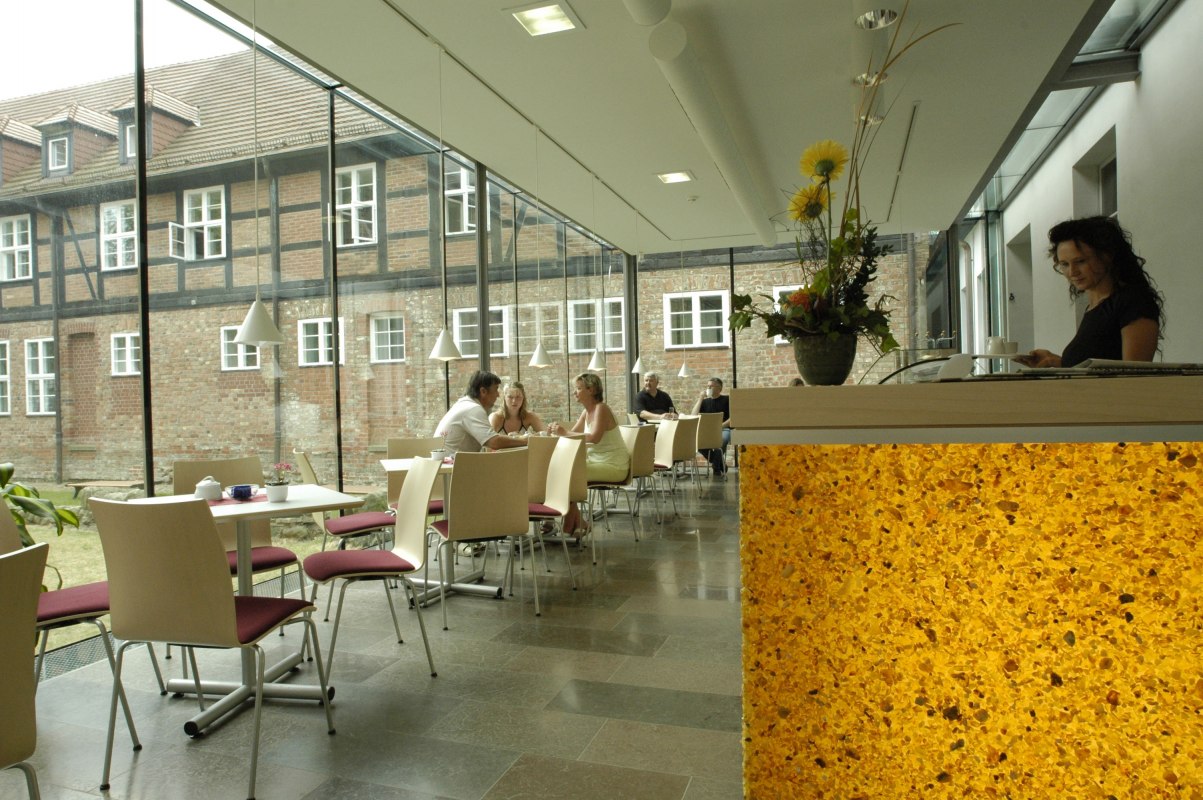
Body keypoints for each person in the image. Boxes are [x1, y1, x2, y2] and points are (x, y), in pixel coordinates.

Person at [1015, 216, 1163, 369]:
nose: (1072, 272)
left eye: (1080, 261)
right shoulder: (1094, 307)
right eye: (1064, 264)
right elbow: (1099, 366)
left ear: (1107, 256)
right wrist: (1057, 362)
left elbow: (1134, 377)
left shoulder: (1133, 302)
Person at [547, 372, 630, 537]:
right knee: (560, 473)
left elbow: (594, 438)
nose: (574, 392)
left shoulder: (602, 408)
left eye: (578, 388)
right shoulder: (587, 412)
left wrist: (564, 432)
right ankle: (578, 522)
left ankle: (572, 523)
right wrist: (557, 432)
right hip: (596, 463)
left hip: (613, 465)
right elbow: (573, 434)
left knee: (568, 475)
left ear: (591, 390)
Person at [434, 371, 528, 453]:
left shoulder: (464, 404)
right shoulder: (473, 409)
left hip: (445, 465)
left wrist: (516, 438)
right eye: (496, 389)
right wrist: (526, 440)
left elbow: (492, 438)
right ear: (483, 391)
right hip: (450, 468)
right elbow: (494, 442)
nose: (498, 395)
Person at [690, 376, 731, 478]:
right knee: (696, 442)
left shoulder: (727, 399)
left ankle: (716, 467)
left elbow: (733, 417)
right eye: (707, 386)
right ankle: (719, 463)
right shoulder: (704, 402)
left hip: (724, 429)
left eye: (711, 386)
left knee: (721, 441)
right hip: (707, 431)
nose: (708, 389)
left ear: (719, 388)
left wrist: (720, 426)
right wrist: (700, 399)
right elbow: (693, 415)